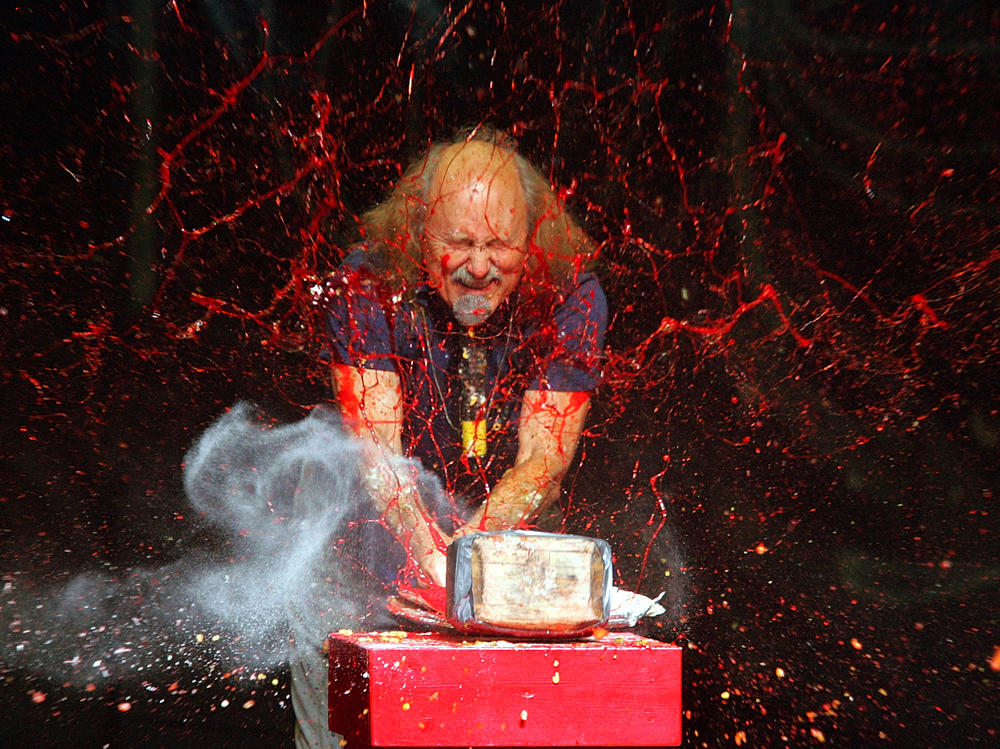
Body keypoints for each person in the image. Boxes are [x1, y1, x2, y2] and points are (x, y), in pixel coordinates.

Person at [290, 126, 607, 748]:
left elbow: (545, 459)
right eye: (458, 243)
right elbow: (376, 451)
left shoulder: (571, 293)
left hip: (497, 513)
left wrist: (472, 559)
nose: (479, 267)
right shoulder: (368, 283)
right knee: (347, 729)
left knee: (489, 719)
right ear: (417, 234)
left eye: (498, 245)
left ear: (532, 243)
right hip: (358, 510)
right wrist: (437, 557)